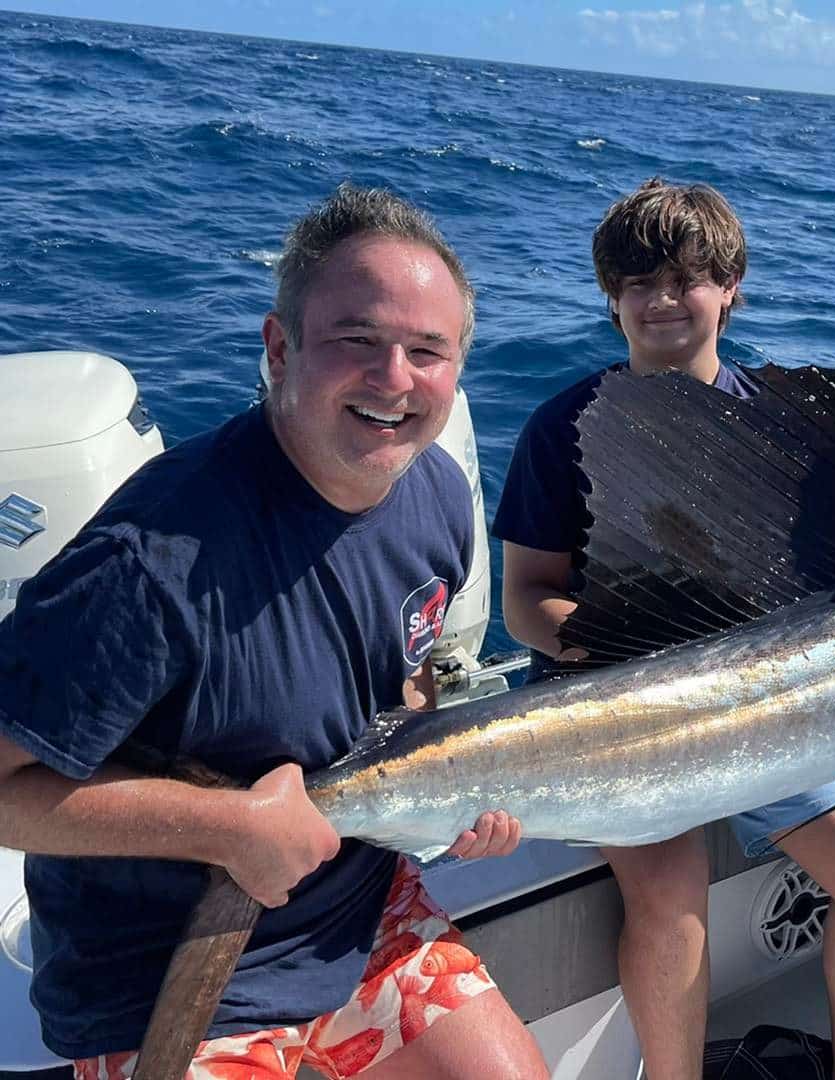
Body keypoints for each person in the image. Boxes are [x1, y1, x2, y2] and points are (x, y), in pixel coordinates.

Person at [0, 184, 549, 1079]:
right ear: (280, 346)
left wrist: (448, 806)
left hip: (354, 910)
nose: (396, 378)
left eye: (428, 351)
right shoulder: (150, 561)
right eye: (358, 341)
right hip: (159, 960)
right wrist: (227, 825)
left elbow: (404, 689)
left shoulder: (439, 497)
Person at [493, 177, 835, 1080]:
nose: (660, 301)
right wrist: (630, 659)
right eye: (637, 283)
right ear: (611, 302)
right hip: (612, 711)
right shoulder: (563, 426)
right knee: (671, 897)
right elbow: (525, 599)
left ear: (731, 291)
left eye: (685, 279)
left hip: (767, 708)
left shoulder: (781, 431)